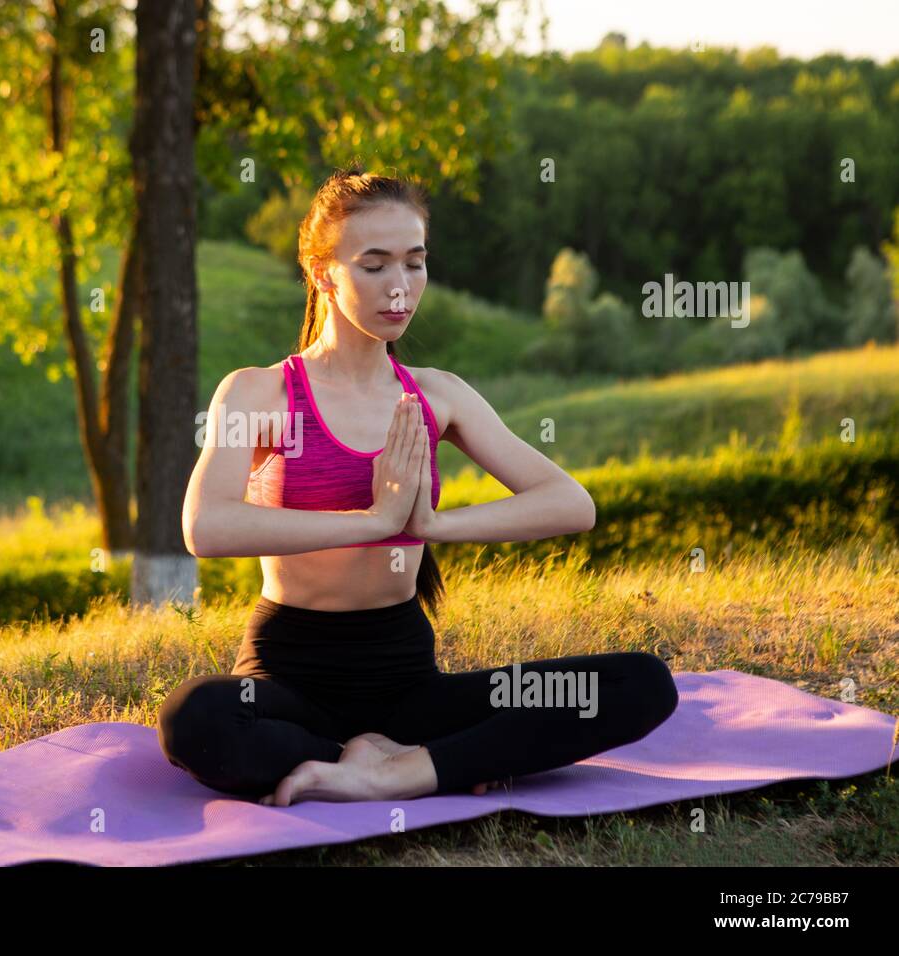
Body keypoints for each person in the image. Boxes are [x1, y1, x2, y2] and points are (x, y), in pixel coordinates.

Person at [158, 166, 678, 807]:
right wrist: (373, 521)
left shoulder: (437, 394)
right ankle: (397, 762)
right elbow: (206, 527)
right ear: (324, 272)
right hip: (289, 676)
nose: (400, 288)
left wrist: (428, 525)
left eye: (415, 263)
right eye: (374, 266)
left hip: (405, 679)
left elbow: (571, 504)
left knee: (641, 684)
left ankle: (396, 771)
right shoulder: (260, 393)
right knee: (198, 720)